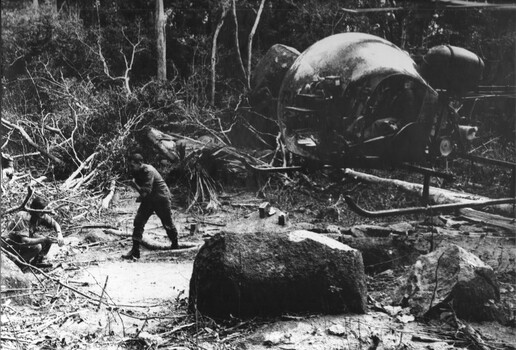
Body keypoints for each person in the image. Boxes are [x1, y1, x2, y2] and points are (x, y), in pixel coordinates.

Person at [122, 153, 179, 260]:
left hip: (161, 198)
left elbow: (145, 192)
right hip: (149, 199)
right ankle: (135, 251)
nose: (131, 168)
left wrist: (135, 186)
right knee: (138, 221)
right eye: (130, 166)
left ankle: (175, 245)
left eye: (132, 165)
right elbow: (144, 193)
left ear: (139, 163)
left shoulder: (149, 171)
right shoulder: (137, 171)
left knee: (167, 223)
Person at [1, 197, 64, 269]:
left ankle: (37, 262)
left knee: (47, 241)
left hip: (22, 239)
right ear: (35, 209)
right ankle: (18, 264)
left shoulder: (41, 215)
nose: (45, 213)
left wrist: (59, 234)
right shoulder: (23, 216)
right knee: (37, 247)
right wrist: (43, 239)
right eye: (42, 211)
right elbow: (25, 240)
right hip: (10, 243)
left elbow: (55, 224)